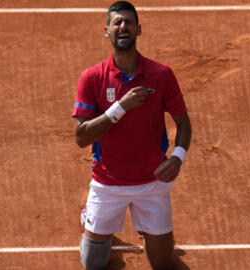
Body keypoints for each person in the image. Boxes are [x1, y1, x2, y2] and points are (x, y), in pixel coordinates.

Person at [72, 1, 192, 269]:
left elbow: (183, 122)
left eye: (129, 22)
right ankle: (96, 227)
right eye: (117, 23)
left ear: (139, 30)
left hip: (152, 182)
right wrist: (120, 107)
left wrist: (177, 157)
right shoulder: (92, 78)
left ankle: (102, 232)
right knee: (93, 262)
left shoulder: (161, 75)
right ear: (107, 31)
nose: (123, 26)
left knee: (164, 263)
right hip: (107, 183)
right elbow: (81, 137)